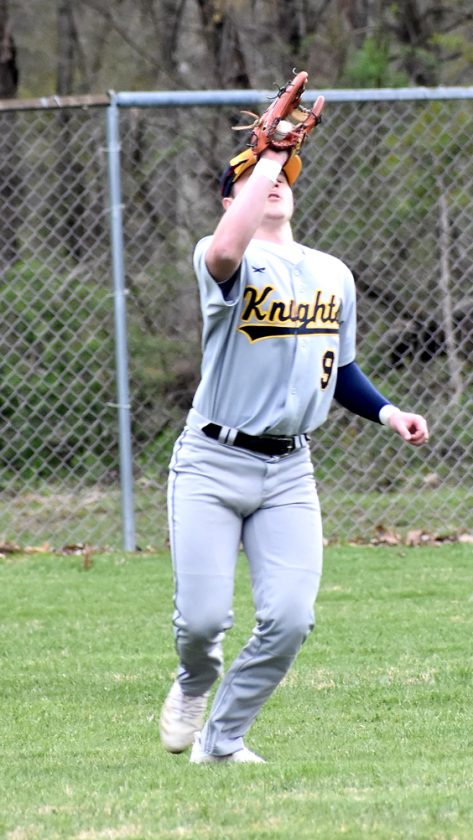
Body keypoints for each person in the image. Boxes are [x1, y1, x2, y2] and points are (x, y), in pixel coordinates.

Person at [159, 144, 429, 764]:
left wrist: (389, 413)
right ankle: (195, 681)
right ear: (230, 200)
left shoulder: (333, 273)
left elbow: (341, 367)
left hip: (288, 471)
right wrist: (266, 156)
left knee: (289, 620)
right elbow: (226, 251)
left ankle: (222, 741)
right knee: (202, 623)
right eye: (255, 178)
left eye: (284, 175)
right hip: (211, 463)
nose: (274, 181)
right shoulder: (222, 256)